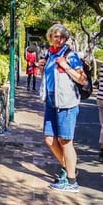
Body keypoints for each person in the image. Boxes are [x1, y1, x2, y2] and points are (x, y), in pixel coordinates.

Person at [40, 23, 89, 192]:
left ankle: (71, 181)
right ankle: (69, 168)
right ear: (50, 37)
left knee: (65, 141)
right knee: (49, 139)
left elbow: (83, 80)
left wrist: (66, 66)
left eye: (62, 37)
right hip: (52, 102)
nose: (59, 39)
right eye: (56, 36)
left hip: (67, 103)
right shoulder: (50, 54)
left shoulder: (70, 55)